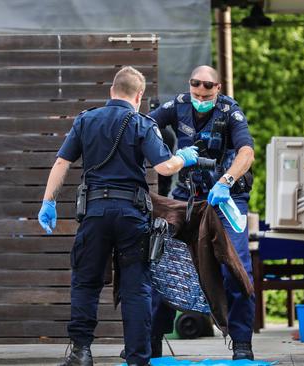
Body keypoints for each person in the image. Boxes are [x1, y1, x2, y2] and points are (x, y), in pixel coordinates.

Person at [37, 66, 199, 366]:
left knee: (86, 283)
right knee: (135, 288)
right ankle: (138, 358)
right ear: (139, 96)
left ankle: (81, 353)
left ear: (111, 91)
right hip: (131, 216)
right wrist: (184, 158)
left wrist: (48, 202)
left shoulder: (86, 120)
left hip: (95, 213)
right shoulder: (141, 124)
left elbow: (62, 162)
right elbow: (164, 167)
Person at [148, 65, 256, 360]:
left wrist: (226, 181)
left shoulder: (230, 112)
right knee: (161, 262)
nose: (201, 97)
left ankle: (242, 344)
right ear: (190, 86)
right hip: (186, 197)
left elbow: (247, 152)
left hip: (224, 199)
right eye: (196, 91)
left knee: (236, 267)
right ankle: (151, 339)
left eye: (207, 91)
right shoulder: (178, 106)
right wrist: (167, 156)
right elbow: (143, 127)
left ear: (218, 88)